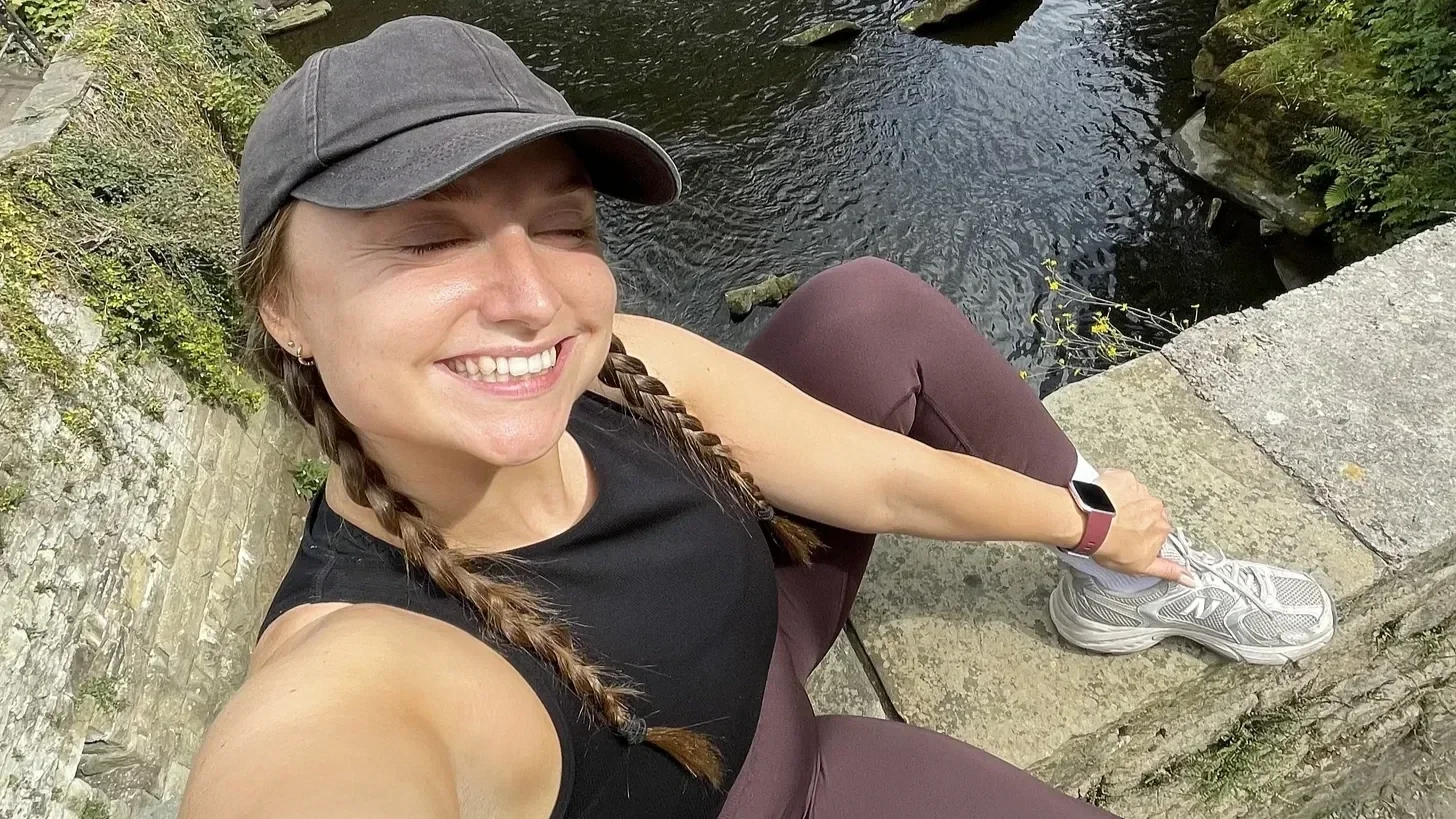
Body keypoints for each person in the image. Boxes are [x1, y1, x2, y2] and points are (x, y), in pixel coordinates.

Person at [179, 15, 1336, 819]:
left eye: (564, 227)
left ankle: (1136, 583)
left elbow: (879, 477)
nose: (529, 297)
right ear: (284, 306)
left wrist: (1091, 527)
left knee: (865, 309)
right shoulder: (367, 676)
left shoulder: (615, 367)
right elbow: (323, 769)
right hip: (784, 787)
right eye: (428, 240)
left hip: (758, 624)